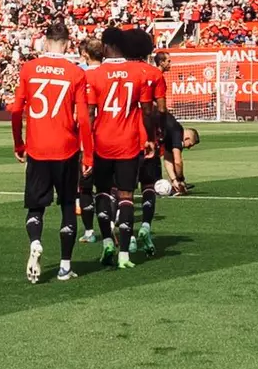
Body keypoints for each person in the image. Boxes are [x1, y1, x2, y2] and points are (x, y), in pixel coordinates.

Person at [10, 21, 93, 284]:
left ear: (45, 43)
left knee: (36, 207)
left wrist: (18, 143)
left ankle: (35, 241)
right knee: (68, 205)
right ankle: (65, 267)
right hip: (66, 149)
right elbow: (83, 118)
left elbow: (15, 111)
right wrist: (88, 154)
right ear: (67, 44)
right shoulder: (76, 73)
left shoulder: (29, 69)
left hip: (37, 148)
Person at [84, 27, 162, 270]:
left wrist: (86, 146)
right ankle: (125, 255)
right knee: (127, 196)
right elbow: (149, 110)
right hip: (129, 142)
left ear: (106, 47)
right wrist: (149, 138)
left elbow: (88, 113)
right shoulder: (138, 74)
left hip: (102, 141)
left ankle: (108, 241)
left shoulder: (94, 75)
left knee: (104, 193)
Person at [135, 110, 197, 254]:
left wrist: (174, 180)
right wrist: (181, 180)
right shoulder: (177, 130)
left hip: (135, 146)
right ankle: (142, 226)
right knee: (147, 187)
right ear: (187, 137)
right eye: (190, 144)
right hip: (145, 147)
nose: (188, 147)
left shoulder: (169, 129)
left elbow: (168, 160)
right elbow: (177, 160)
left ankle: (127, 232)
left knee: (127, 191)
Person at [76, 38, 105, 243]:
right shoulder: (111, 74)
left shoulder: (82, 76)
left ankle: (88, 232)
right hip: (110, 138)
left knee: (85, 187)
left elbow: (84, 112)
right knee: (107, 187)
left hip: (87, 139)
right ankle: (111, 226)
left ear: (86, 54)